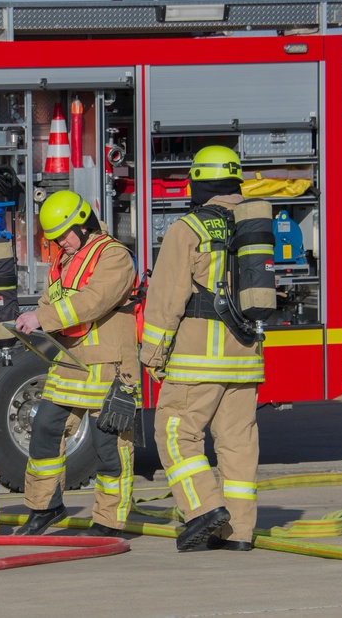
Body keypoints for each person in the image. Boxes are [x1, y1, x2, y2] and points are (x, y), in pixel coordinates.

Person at [139, 145, 264, 552]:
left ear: (198, 181)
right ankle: (239, 533)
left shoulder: (188, 228)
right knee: (237, 444)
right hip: (246, 357)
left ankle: (203, 508)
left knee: (175, 433)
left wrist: (152, 355)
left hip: (197, 358)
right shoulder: (254, 224)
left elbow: (166, 298)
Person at [13, 190, 139, 537]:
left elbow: (93, 302)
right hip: (71, 364)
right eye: (54, 238)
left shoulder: (114, 257)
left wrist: (42, 317)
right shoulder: (64, 261)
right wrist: (33, 321)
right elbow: (50, 300)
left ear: (83, 224)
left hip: (110, 367)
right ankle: (46, 507)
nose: (61, 243)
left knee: (109, 447)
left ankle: (108, 522)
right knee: (44, 431)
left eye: (65, 235)